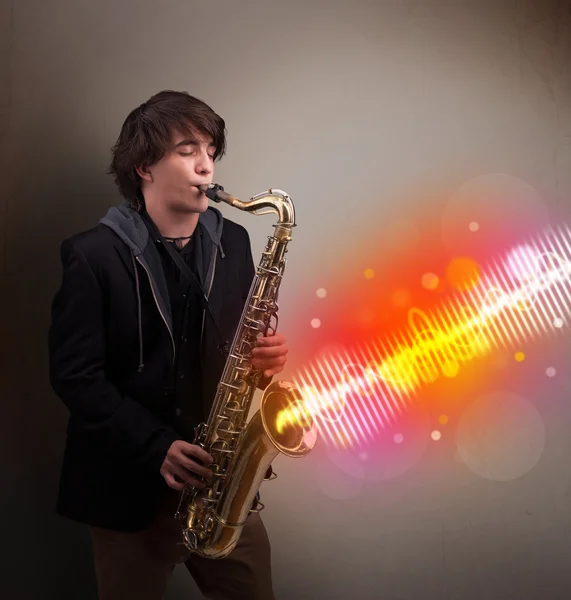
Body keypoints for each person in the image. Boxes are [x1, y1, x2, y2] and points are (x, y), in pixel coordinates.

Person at [48, 90, 289, 600]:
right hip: (129, 494)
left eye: (210, 151)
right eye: (186, 150)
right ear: (144, 167)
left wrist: (263, 363)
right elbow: (75, 376)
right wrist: (154, 446)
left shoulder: (236, 243)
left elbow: (237, 353)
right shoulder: (93, 255)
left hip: (221, 487)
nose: (206, 166)